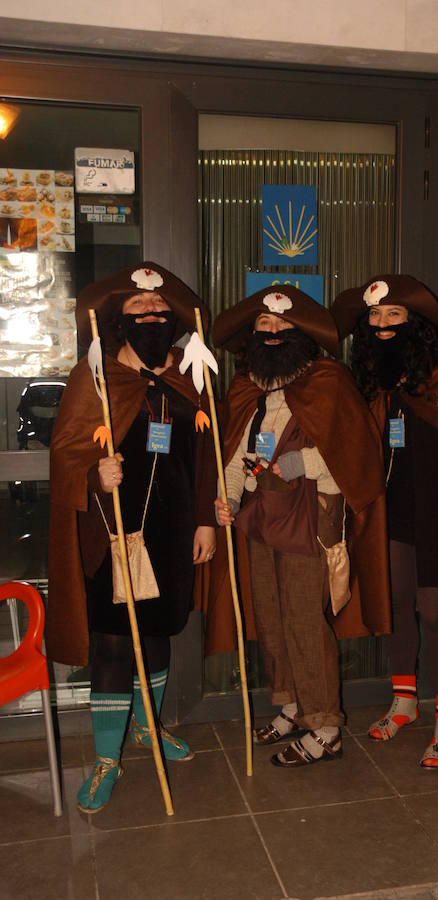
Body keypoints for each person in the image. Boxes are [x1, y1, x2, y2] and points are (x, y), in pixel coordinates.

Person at [47, 262, 217, 812]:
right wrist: (96, 473)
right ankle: (105, 758)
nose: (151, 314)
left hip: (171, 531)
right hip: (112, 531)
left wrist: (205, 521)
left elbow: (205, 454)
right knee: (116, 641)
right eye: (139, 308)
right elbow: (66, 452)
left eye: (160, 308)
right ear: (120, 318)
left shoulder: (187, 376)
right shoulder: (94, 379)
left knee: (161, 628)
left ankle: (147, 728)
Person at [208, 285, 391, 767]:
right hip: (260, 519)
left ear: (301, 333)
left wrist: (297, 464)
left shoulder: (327, 380)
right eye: (264, 325)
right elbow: (236, 456)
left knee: (306, 623)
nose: (272, 333)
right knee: (270, 617)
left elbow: (354, 459)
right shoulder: (248, 385)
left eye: (282, 325)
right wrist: (226, 498)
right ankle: (292, 706)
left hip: (309, 519)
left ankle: (325, 726)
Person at [332, 274, 438, 767]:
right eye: (375, 316)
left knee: (435, 612)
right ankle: (405, 700)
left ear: (415, 323)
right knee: (397, 604)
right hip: (392, 509)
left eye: (394, 315)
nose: (383, 325)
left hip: (437, 510)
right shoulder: (373, 379)